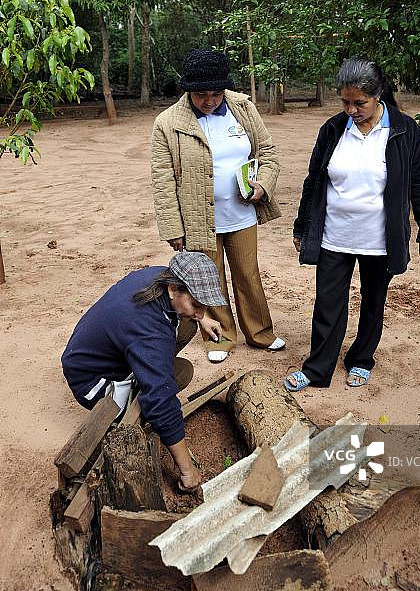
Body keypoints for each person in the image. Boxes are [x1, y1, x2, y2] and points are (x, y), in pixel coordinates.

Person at [284, 57, 420, 392]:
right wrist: (302, 226)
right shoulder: (333, 129)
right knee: (327, 303)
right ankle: (317, 368)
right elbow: (314, 181)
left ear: (377, 95)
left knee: (373, 301)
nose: (351, 110)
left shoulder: (404, 130)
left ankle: (361, 359)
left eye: (359, 103)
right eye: (345, 102)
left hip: (379, 237)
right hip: (334, 234)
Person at [151, 48, 285, 363]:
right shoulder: (168, 123)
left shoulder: (243, 108)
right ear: (187, 91)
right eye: (201, 95)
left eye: (216, 93)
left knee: (248, 273)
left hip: (241, 214)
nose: (209, 100)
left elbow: (268, 152)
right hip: (196, 219)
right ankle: (220, 336)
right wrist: (173, 227)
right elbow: (162, 179)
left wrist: (262, 185)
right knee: (209, 279)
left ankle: (260, 332)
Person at [61, 251, 226, 492]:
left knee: (187, 326)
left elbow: (184, 311)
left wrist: (202, 318)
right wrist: (188, 471)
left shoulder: (160, 276)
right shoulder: (148, 328)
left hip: (95, 352)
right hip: (92, 382)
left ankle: (149, 368)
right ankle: (136, 390)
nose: (201, 312)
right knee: (179, 375)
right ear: (172, 289)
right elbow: (161, 401)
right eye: (197, 305)